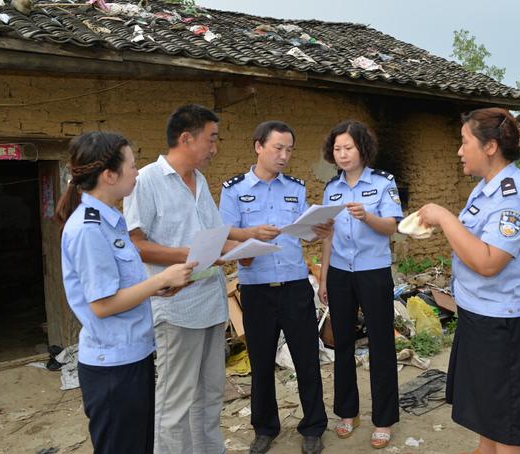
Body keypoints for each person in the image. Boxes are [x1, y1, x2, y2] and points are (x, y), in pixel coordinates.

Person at [56, 131, 196, 454]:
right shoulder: (88, 229)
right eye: (132, 165)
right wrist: (158, 281)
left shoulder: (112, 222)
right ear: (109, 175)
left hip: (134, 357)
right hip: (112, 370)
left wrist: (159, 289)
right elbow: (102, 305)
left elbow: (120, 288)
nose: (136, 171)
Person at [417, 108, 520, 454]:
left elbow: (489, 262)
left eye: (464, 141)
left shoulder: (514, 196)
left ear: (489, 147)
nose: (459, 150)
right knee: (489, 413)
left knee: (506, 424)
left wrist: (443, 216)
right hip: (479, 316)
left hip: (504, 326)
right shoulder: (485, 189)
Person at [219, 121, 331, 454]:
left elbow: (302, 233)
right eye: (278, 148)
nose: (284, 156)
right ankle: (265, 428)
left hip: (295, 285)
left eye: (289, 149)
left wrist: (317, 230)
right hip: (256, 289)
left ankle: (313, 426)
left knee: (307, 360)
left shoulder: (295, 188)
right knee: (262, 362)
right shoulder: (234, 189)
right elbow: (224, 239)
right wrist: (249, 244)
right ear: (258, 146)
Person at [123, 105, 229, 454]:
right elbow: (135, 245)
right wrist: (189, 254)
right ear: (187, 138)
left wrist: (245, 246)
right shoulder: (147, 180)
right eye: (211, 138)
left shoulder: (199, 180)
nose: (215, 147)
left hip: (212, 304)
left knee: (210, 396)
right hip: (177, 309)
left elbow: (212, 235)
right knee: (175, 404)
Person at [318, 120, 403, 449]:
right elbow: (328, 237)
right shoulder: (331, 189)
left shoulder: (383, 183)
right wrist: (324, 276)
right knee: (342, 344)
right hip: (340, 272)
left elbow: (392, 227)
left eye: (348, 148)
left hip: (373, 271)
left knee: (381, 344)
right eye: (337, 149)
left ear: (362, 149)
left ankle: (383, 419)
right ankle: (347, 412)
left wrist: (367, 216)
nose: (342, 154)